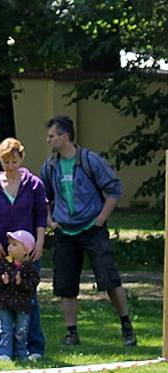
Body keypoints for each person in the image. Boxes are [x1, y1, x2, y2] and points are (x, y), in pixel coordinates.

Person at [40, 115, 136, 346]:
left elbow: (114, 189)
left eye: (52, 136)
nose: (48, 140)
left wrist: (101, 220)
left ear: (64, 137)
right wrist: (51, 221)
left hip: (92, 229)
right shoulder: (50, 166)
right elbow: (42, 197)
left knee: (109, 279)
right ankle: (71, 333)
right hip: (65, 233)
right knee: (66, 285)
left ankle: (126, 327)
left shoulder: (90, 160)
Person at [0, 137, 47, 360]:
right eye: (6, 162)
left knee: (29, 296)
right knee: (0, 296)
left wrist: (40, 242)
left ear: (21, 159)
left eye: (14, 161)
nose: (10, 166)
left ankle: (33, 347)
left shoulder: (34, 184)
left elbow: (41, 214)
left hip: (27, 251)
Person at [0, 231, 40, 361]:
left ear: (26, 250)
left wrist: (21, 283)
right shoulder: (4, 264)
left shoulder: (29, 267)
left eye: (14, 244)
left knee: (21, 331)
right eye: (10, 244)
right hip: (5, 303)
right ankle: (3, 353)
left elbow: (34, 284)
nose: (10, 247)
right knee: (5, 329)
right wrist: (2, 280)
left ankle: (21, 353)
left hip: (23, 305)